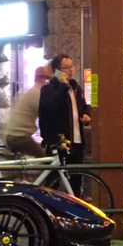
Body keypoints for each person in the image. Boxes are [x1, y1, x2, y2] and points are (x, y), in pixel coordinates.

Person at [38, 53, 91, 194]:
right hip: (58, 142)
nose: (71, 70)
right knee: (53, 181)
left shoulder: (76, 88)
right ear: (57, 70)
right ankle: (49, 211)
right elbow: (49, 108)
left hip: (77, 141)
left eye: (72, 66)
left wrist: (86, 115)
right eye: (66, 67)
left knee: (75, 180)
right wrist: (62, 86)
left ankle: (74, 211)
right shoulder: (48, 89)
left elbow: (84, 107)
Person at [5, 65, 54, 158]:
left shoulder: (32, 90)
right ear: (42, 78)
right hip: (19, 137)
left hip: (15, 135)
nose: (48, 81)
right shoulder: (37, 92)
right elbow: (46, 113)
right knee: (45, 158)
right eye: (48, 78)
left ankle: (23, 172)